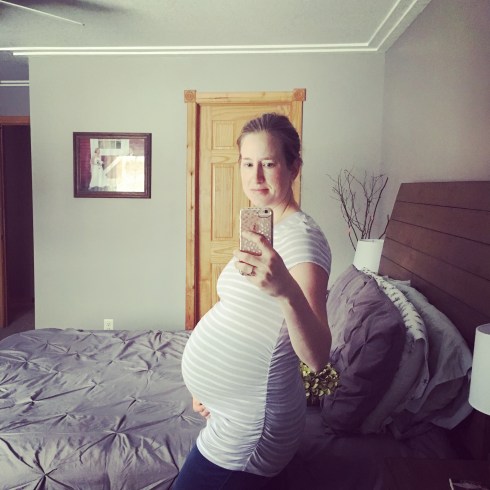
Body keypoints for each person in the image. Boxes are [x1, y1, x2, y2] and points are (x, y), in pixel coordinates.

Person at [174, 113, 332, 490]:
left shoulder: (303, 240)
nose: (255, 176)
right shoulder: (267, 227)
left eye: (269, 163)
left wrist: (286, 290)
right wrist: (207, 390)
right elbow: (247, 313)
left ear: (294, 168)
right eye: (247, 163)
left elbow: (317, 357)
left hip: (250, 429)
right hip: (235, 412)